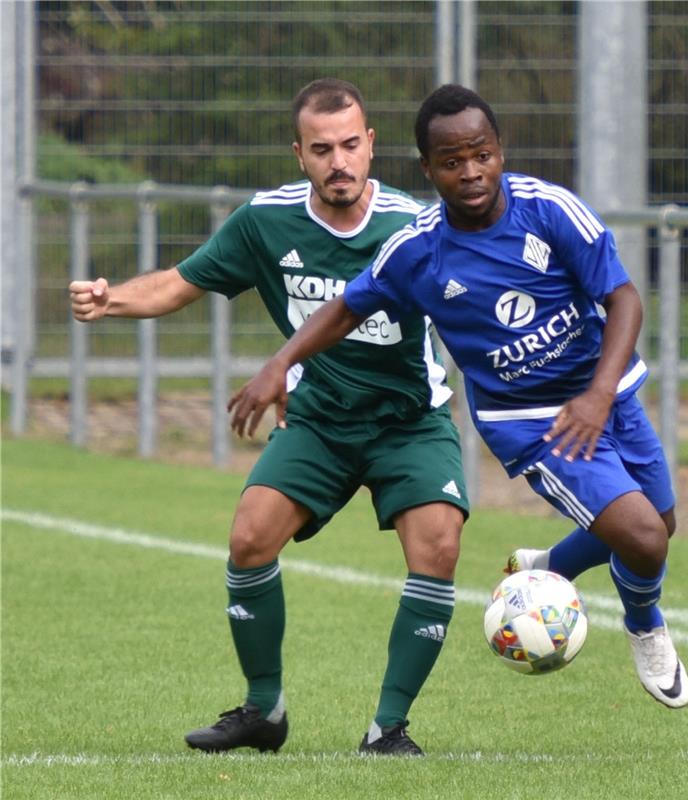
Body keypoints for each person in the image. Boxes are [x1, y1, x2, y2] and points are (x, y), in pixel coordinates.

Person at [229, 83, 688, 711]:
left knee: (660, 525)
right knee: (643, 538)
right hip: (530, 420)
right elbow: (344, 309)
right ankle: (646, 626)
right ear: (427, 169)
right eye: (452, 162)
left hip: (605, 393)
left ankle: (551, 561)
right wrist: (281, 362)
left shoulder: (551, 210)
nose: (470, 172)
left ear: (500, 150)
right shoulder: (418, 248)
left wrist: (600, 392)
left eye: (482, 155)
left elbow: (625, 298)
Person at [69, 78, 470, 757]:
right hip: (318, 419)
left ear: (372, 145)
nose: (338, 162)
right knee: (250, 538)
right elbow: (177, 283)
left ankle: (388, 730)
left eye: (350, 145)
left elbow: (475, 308)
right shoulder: (266, 221)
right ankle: (264, 708)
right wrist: (111, 300)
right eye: (321, 149)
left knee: (438, 550)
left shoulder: (416, 226)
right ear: (299, 153)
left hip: (410, 421)